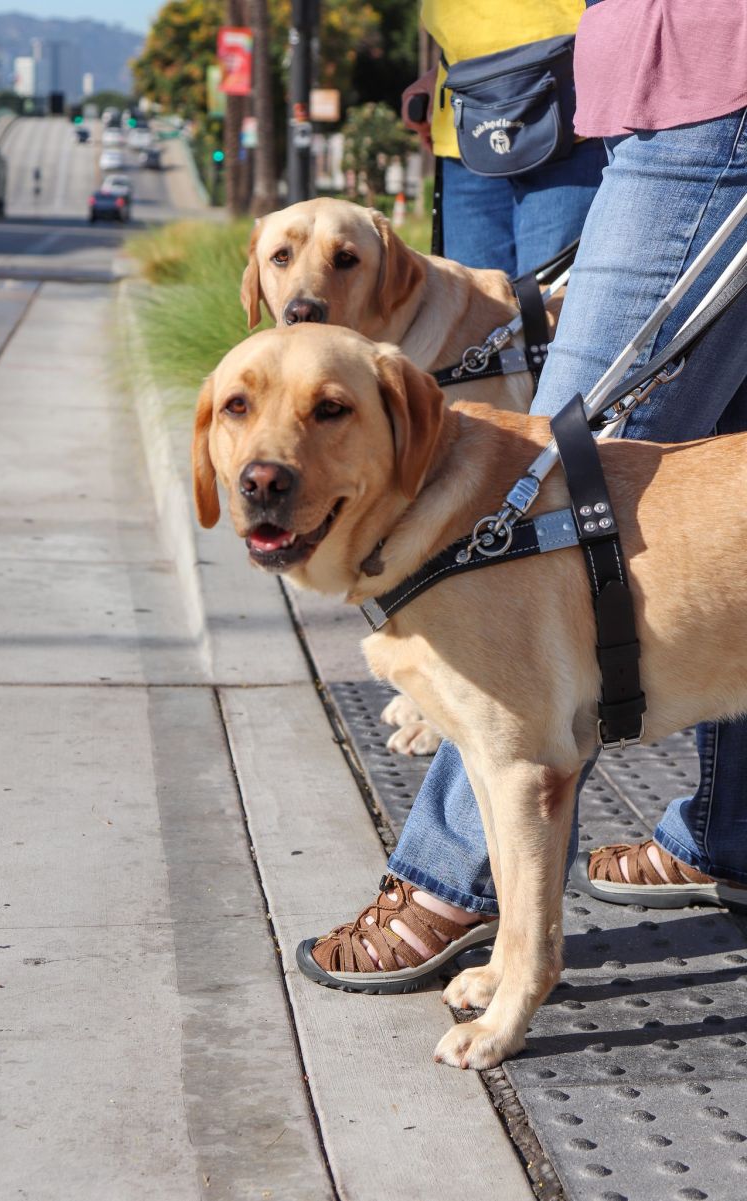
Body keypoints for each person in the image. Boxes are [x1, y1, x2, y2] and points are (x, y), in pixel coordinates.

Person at [297, 0, 747, 993]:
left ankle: (453, 878)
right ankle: (734, 831)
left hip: (707, 90)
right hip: (656, 84)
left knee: (543, 482)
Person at [402, 0, 606, 274]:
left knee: (552, 297)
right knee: (472, 299)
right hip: (466, 119)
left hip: (569, 116)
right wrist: (441, 68)